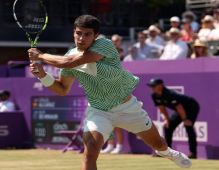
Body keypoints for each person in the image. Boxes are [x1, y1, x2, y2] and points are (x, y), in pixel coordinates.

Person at [28, 15, 192, 169]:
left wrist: (40, 55)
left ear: (95, 35)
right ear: (74, 32)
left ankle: (166, 152)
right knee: (90, 149)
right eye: (79, 33)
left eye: (87, 34)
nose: (82, 38)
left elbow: (69, 62)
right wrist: (42, 75)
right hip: (99, 111)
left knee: (158, 143)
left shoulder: (104, 45)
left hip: (128, 108)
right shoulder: (70, 55)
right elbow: (62, 89)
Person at [147, 78, 200, 159]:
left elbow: (179, 106)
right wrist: (167, 119)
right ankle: (166, 152)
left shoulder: (169, 93)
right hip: (180, 109)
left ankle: (193, 153)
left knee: (188, 126)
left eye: (154, 85)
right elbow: (161, 107)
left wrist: (185, 120)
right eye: (150, 86)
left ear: (161, 85)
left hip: (191, 106)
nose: (152, 87)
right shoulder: (154, 95)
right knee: (168, 126)